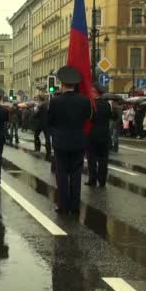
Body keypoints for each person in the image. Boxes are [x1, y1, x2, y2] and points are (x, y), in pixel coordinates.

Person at [48, 66, 92, 215]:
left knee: (61, 175)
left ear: (62, 83)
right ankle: (75, 206)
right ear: (75, 84)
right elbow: (87, 119)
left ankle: (63, 206)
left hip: (61, 142)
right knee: (76, 175)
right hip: (79, 142)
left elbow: (50, 122)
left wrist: (56, 134)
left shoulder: (55, 102)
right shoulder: (84, 101)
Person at [86, 87, 113, 188]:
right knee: (103, 159)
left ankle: (92, 180)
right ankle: (102, 181)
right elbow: (110, 116)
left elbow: (88, 119)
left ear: (95, 93)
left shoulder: (91, 105)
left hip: (92, 135)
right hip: (105, 135)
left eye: (92, 91)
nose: (90, 93)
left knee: (91, 159)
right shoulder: (107, 105)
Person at [33, 95, 51, 160]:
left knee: (36, 136)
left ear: (39, 99)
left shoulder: (39, 105)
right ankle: (48, 154)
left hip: (40, 124)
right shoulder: (49, 104)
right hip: (47, 124)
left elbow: (35, 115)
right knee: (47, 139)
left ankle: (37, 149)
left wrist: (35, 109)